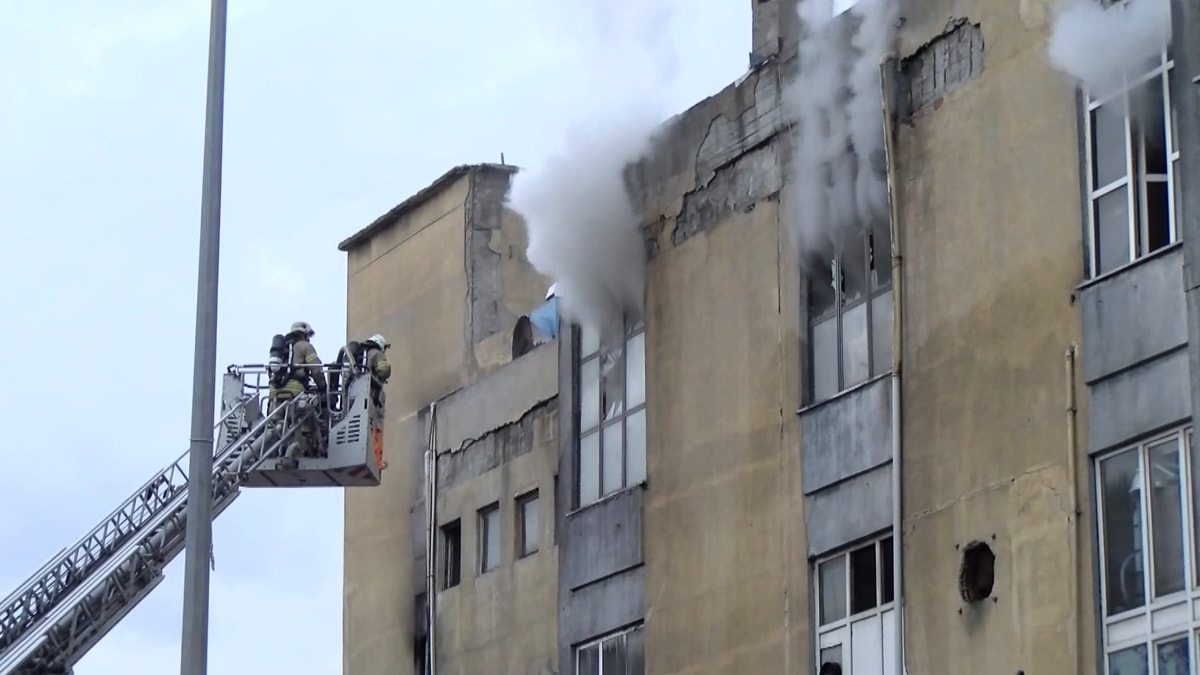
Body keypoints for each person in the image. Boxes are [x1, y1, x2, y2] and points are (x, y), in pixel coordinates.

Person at [268, 321, 328, 458]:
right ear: (305, 334)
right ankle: (313, 447)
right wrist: (322, 387)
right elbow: (316, 369)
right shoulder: (305, 346)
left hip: (274, 397)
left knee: (276, 427)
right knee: (307, 419)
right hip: (294, 395)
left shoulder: (281, 349)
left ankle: (276, 450)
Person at [361, 334, 391, 471]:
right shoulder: (377, 353)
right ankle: (376, 461)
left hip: (358, 397)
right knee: (377, 429)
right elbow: (384, 370)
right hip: (373, 397)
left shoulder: (361, 355)